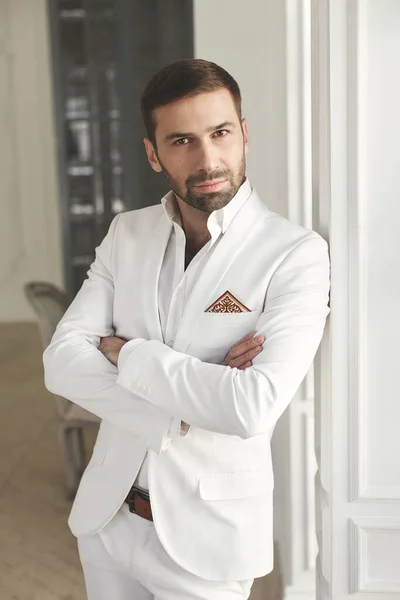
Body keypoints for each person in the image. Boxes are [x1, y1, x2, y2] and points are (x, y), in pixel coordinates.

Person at [43, 58, 330, 600]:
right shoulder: (126, 233)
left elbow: (251, 405)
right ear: (154, 154)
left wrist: (125, 354)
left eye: (220, 133)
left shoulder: (294, 254)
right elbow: (61, 362)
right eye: (181, 141)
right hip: (109, 520)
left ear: (243, 134)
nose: (207, 158)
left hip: (208, 543)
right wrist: (190, 401)